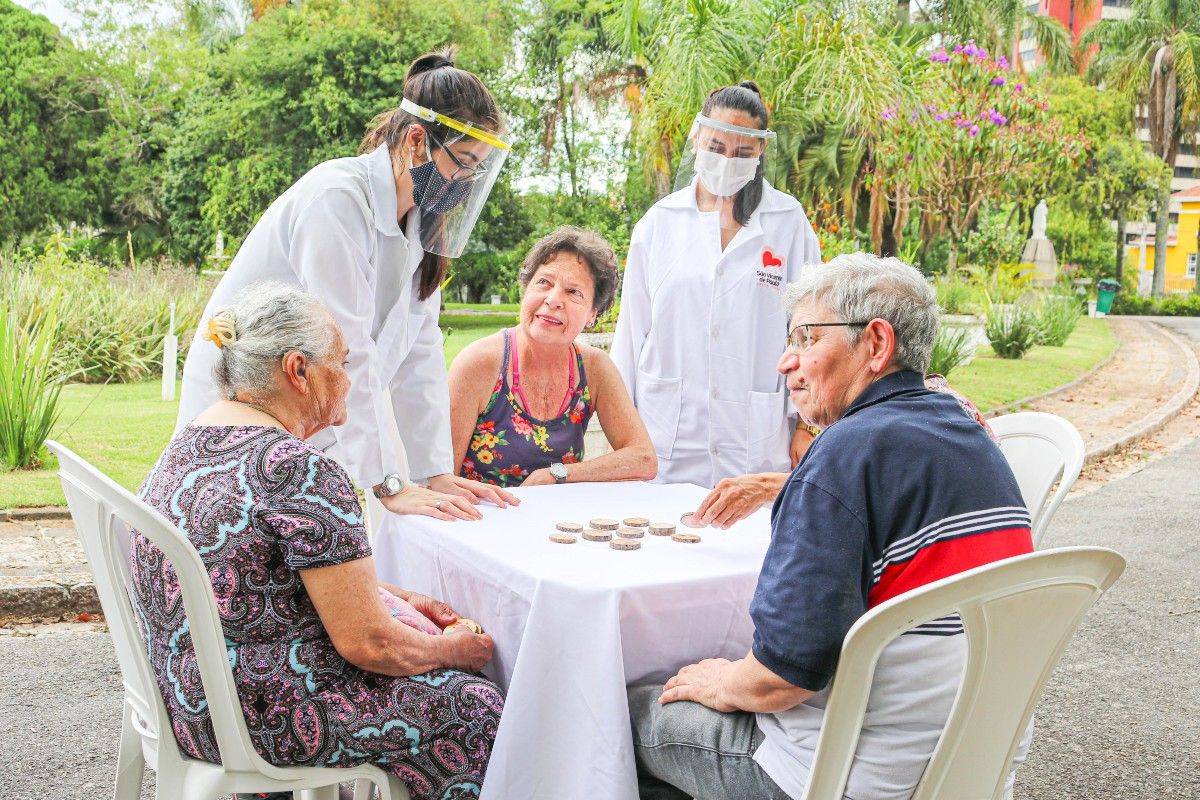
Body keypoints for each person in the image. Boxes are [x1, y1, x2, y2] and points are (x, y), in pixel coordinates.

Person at [627, 254, 1034, 800]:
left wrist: (722, 681)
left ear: (876, 344)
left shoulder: (843, 455)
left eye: (805, 337)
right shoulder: (969, 430)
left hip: (841, 776)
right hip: (975, 765)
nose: (783, 362)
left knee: (628, 712)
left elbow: (784, 675)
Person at [134, 284, 503, 800]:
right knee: (476, 707)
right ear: (298, 371)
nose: (350, 381)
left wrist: (393, 596)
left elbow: (263, 577)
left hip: (188, 700)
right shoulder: (300, 470)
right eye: (342, 363)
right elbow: (370, 644)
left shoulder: (189, 442)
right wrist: (453, 651)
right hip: (261, 718)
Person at [177, 47, 517, 528]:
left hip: (308, 406)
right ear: (417, 142)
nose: (466, 179)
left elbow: (419, 355)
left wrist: (434, 472)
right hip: (246, 404)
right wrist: (389, 484)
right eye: (462, 161)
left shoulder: (421, 224)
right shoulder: (336, 199)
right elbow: (349, 349)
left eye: (478, 167)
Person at [611, 80, 822, 488]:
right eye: (716, 147)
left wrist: (805, 425)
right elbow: (630, 335)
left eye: (742, 153)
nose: (727, 161)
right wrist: (624, 435)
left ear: (761, 150)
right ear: (696, 136)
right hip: (668, 436)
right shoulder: (659, 223)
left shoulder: (788, 221)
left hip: (755, 439)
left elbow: (810, 332)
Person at [449, 226, 656, 486]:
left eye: (573, 292)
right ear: (525, 289)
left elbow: (644, 459)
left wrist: (559, 474)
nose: (553, 299)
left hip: (560, 524)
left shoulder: (594, 368)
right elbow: (441, 479)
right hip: (479, 520)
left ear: (593, 313)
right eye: (544, 282)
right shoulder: (478, 364)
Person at [692, 373, 997, 528]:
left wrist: (764, 486)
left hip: (935, 620)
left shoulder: (881, 426)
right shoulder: (941, 400)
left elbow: (865, 490)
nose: (788, 361)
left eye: (811, 340)